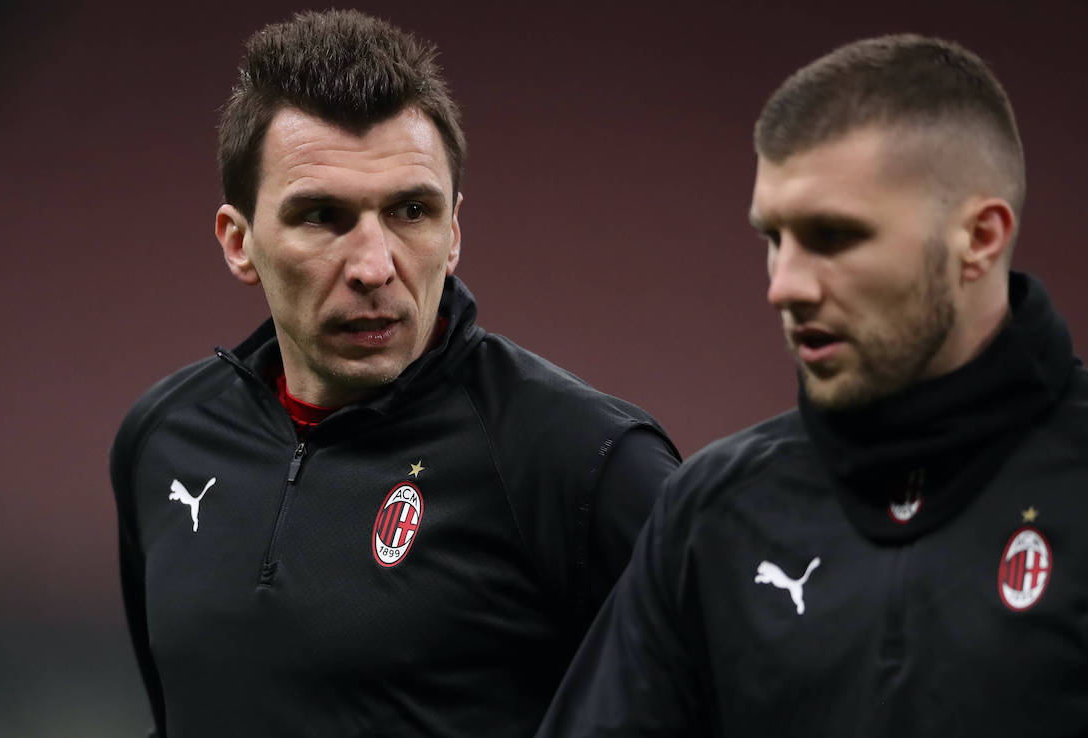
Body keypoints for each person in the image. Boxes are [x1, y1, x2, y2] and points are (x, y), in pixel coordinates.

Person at [109, 9, 679, 738]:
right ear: (239, 241)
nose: (374, 266)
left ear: (454, 233)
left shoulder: (584, 460)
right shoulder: (163, 439)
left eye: (411, 211)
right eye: (322, 216)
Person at [537, 34, 1088, 737]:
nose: (785, 286)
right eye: (773, 238)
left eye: (833, 237)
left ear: (980, 239)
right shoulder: (714, 509)